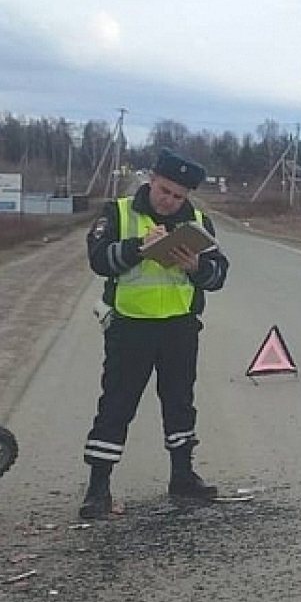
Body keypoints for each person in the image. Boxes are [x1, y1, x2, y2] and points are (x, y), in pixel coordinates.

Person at [79, 149, 230, 519]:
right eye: (164, 191)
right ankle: (98, 488)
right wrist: (138, 249)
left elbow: (219, 275)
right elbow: (99, 260)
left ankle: (182, 476)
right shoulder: (118, 212)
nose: (170, 201)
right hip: (130, 327)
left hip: (180, 328)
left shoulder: (197, 221)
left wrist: (196, 266)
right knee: (116, 406)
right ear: (152, 182)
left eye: (178, 196)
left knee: (179, 403)